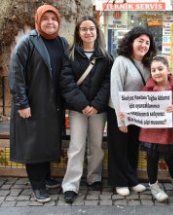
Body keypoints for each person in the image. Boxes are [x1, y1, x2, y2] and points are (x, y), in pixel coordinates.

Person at [9, 5, 69, 203]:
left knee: (47, 141)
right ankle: (37, 184)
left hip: (53, 104)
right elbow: (16, 75)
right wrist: (22, 104)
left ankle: (45, 176)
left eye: (54, 19)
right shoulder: (28, 42)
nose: (50, 22)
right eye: (46, 18)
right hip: (33, 103)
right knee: (33, 143)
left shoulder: (62, 42)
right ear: (38, 21)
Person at [59, 16, 113, 204]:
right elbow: (66, 83)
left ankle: (94, 177)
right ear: (78, 32)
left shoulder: (106, 56)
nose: (88, 32)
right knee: (76, 146)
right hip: (77, 109)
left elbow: (107, 84)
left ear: (97, 32)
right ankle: (70, 185)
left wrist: (96, 105)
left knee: (96, 145)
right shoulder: (70, 54)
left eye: (91, 28)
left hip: (99, 109)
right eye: (84, 29)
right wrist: (83, 105)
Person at [108, 26, 157, 196]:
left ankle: (132, 179)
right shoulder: (121, 61)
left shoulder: (148, 64)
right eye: (140, 41)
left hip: (137, 111)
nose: (143, 45)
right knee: (118, 147)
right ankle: (119, 181)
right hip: (119, 110)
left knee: (133, 147)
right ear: (131, 42)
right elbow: (115, 90)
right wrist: (120, 120)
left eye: (147, 42)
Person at [136, 56, 173, 202]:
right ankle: (154, 187)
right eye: (153, 70)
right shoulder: (147, 89)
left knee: (172, 160)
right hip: (151, 132)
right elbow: (139, 107)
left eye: (160, 69)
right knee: (151, 160)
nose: (157, 72)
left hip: (169, 132)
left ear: (168, 70)